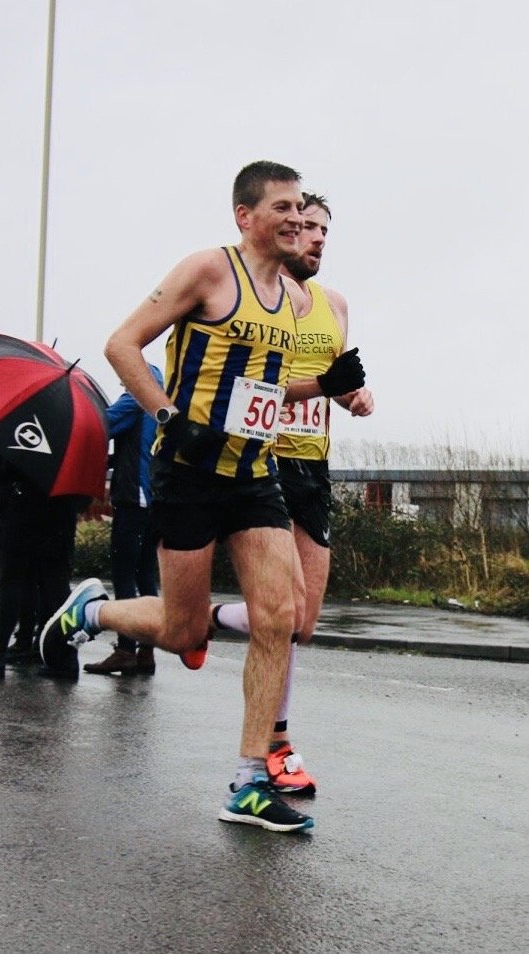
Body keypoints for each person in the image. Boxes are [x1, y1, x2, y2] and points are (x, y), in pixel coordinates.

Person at [40, 161, 364, 834]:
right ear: (245, 216)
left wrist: (326, 386)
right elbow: (122, 345)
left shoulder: (294, 298)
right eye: (282, 208)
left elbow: (267, 389)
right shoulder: (209, 270)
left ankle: (249, 780)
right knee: (182, 631)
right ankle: (92, 611)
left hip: (253, 473)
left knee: (279, 616)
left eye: (300, 209)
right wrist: (167, 416)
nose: (296, 219)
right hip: (187, 471)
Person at [209, 193, 374, 796]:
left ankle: (203, 619)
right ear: (282, 230)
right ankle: (275, 745)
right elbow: (242, 386)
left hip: (313, 466)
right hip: (262, 460)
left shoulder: (335, 305)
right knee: (281, 614)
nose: (316, 237)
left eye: (324, 229)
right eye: (305, 227)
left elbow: (339, 380)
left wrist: (354, 395)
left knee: (301, 623)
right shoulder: (259, 298)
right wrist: (319, 386)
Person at [0, 456, 85, 678]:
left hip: (25, 517)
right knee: (56, 590)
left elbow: (11, 471)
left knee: (12, 585)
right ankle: (65, 656)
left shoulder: (33, 437)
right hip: (60, 518)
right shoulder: (76, 443)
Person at [83, 364, 163, 676]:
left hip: (133, 497)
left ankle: (126, 649)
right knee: (146, 575)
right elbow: (138, 447)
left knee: (124, 574)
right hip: (156, 498)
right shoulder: (162, 398)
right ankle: (147, 651)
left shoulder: (136, 398)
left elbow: (101, 425)